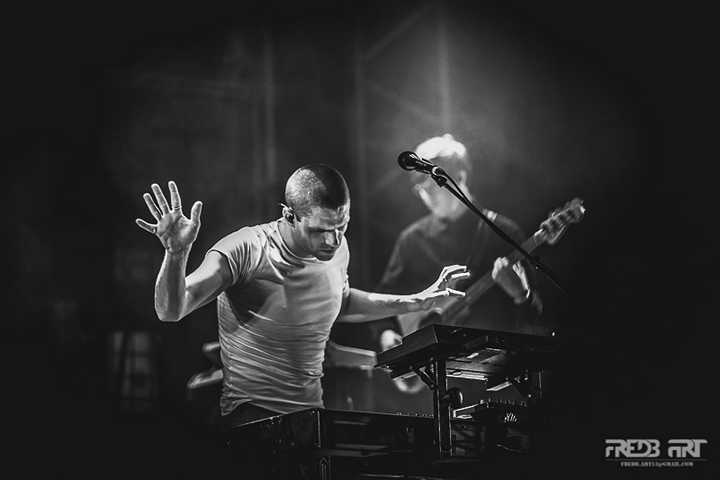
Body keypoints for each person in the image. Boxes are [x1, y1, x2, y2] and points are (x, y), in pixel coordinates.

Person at [134, 164, 467, 430]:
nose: (333, 241)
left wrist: (418, 300)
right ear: (289, 215)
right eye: (320, 231)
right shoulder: (246, 249)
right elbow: (171, 309)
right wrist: (176, 255)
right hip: (250, 420)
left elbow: (340, 300)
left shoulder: (337, 248)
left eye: (342, 226)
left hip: (311, 417)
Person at [369, 133, 548, 409]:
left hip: (496, 383)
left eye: (430, 184)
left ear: (458, 176)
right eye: (418, 188)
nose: (425, 194)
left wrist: (521, 295)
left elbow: (539, 322)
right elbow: (384, 298)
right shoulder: (412, 240)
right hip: (435, 387)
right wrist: (386, 334)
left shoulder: (502, 232)